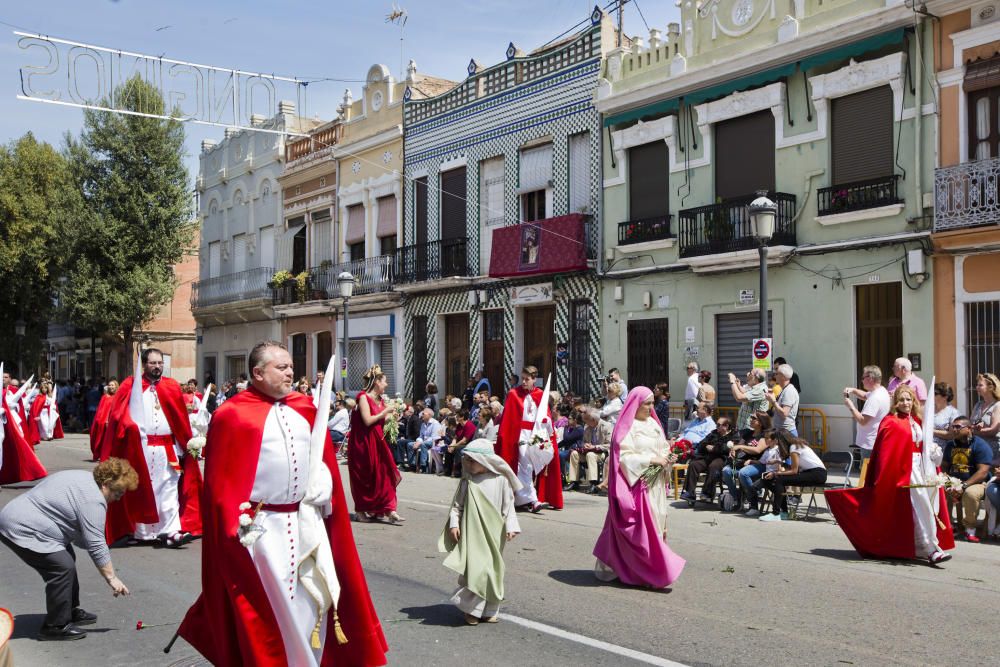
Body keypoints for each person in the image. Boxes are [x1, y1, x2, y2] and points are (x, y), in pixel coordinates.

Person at [177, 341, 388, 667]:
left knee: (311, 605)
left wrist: (324, 486)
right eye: (282, 367)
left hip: (307, 526)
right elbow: (221, 487)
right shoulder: (232, 415)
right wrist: (232, 530)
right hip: (262, 533)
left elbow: (323, 463)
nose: (290, 372)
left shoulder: (305, 407)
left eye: (291, 366)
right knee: (272, 612)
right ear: (258, 372)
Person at [0, 459, 136, 640]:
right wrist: (111, 578)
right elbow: (95, 543)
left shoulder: (85, 478)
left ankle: (68, 611)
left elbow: (83, 537)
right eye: (118, 492)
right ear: (105, 484)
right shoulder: (94, 501)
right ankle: (55, 626)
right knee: (62, 567)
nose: (119, 498)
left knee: (66, 556)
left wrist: (99, 551)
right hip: (21, 527)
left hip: (21, 517)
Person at [825, 385, 954, 563]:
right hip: (903, 472)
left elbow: (921, 445)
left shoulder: (916, 420)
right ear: (896, 402)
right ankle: (931, 548)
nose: (905, 403)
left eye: (908, 399)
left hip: (921, 470)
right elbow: (887, 453)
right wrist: (888, 477)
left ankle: (919, 547)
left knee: (924, 508)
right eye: (901, 400)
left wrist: (933, 452)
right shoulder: (890, 422)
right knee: (920, 508)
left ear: (913, 400)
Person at [100, 348, 202, 547]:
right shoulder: (131, 386)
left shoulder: (172, 386)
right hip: (142, 449)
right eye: (153, 363)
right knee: (142, 489)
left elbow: (180, 420)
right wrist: (129, 425)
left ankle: (171, 531)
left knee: (169, 488)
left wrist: (185, 444)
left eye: (160, 363)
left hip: (167, 449)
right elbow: (118, 416)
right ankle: (141, 531)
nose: (157, 367)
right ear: (144, 365)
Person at [593, 387, 685, 588]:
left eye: (652, 403)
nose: (651, 408)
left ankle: (652, 569)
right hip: (637, 485)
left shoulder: (653, 424)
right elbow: (624, 458)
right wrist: (653, 459)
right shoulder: (627, 427)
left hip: (656, 483)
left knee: (657, 525)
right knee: (643, 532)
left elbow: (662, 447)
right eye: (648, 404)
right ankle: (643, 572)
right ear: (636, 404)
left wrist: (668, 457)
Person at [438, 440, 521, 625]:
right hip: (472, 533)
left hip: (494, 533)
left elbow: (508, 507)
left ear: (484, 460)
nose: (467, 464)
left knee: (492, 570)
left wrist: (511, 526)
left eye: (471, 460)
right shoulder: (467, 481)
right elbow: (457, 506)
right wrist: (454, 524)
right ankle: (472, 610)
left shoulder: (501, 480)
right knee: (477, 570)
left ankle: (489, 609)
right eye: (466, 460)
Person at [494, 366, 562, 513]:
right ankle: (533, 500)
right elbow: (508, 418)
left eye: (527, 379)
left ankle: (520, 499)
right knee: (526, 465)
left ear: (534, 380)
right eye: (523, 378)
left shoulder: (540, 394)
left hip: (536, 434)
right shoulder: (514, 394)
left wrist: (549, 428)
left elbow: (545, 415)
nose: (524, 382)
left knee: (537, 463)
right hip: (520, 434)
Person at [347, 365, 402, 524]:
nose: (387, 385)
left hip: (378, 442)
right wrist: (385, 412)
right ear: (377, 382)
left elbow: (382, 421)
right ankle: (360, 510)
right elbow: (368, 420)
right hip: (363, 443)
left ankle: (389, 509)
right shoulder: (363, 397)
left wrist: (393, 418)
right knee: (365, 476)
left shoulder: (381, 400)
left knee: (384, 474)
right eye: (385, 381)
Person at [942, 415, 993, 543]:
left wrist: (963, 486)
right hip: (955, 482)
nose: (954, 429)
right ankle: (947, 526)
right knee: (938, 489)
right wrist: (947, 482)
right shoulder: (950, 445)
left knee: (970, 494)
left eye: (958, 427)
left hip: (978, 483)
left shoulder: (980, 445)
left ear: (969, 428)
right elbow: (944, 467)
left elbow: (983, 472)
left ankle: (970, 530)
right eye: (952, 427)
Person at [758, 430, 827, 522]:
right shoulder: (796, 445)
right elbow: (795, 468)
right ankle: (783, 512)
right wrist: (778, 462)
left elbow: (794, 471)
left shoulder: (794, 447)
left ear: (782, 440)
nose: (777, 444)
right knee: (776, 480)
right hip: (814, 473)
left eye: (777, 441)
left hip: (817, 474)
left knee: (779, 480)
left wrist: (775, 473)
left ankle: (776, 513)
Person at [843, 365, 891, 486]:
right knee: (873, 475)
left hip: (870, 443)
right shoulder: (881, 391)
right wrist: (853, 390)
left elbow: (863, 420)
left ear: (870, 378)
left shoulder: (875, 398)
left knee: (868, 476)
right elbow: (865, 395)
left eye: (863, 377)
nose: (861, 380)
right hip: (874, 441)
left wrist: (851, 407)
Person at [0, 364, 48, 486]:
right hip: (3, 422)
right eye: (2, 377)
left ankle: (27, 470)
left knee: (18, 446)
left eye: (5, 377)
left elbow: (20, 407)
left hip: (13, 422)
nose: (3, 379)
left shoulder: (14, 391)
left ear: (10, 379)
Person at [722, 414, 776, 516]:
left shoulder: (765, 436)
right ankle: (736, 498)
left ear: (760, 422)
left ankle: (754, 505)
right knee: (726, 470)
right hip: (742, 463)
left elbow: (757, 450)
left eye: (753, 418)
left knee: (744, 473)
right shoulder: (747, 434)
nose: (750, 420)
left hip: (758, 464)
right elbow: (737, 446)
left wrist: (740, 446)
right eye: (751, 417)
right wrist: (733, 451)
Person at [680, 416, 735, 504]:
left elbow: (727, 449)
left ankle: (707, 493)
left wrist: (714, 448)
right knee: (694, 464)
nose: (716, 427)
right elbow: (702, 443)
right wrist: (706, 446)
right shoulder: (714, 433)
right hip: (708, 457)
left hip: (722, 458)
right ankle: (690, 492)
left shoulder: (733, 435)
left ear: (726, 426)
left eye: (718, 425)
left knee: (713, 466)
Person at [566, 408, 611, 494]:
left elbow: (610, 445)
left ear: (593, 420)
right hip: (589, 452)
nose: (584, 422)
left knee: (590, 455)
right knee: (574, 453)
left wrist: (595, 446)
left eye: (586, 420)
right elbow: (584, 441)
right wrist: (585, 445)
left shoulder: (606, 426)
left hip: (603, 453)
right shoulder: (588, 427)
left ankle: (593, 482)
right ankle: (574, 481)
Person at [730, 369, 769, 441]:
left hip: (751, 428)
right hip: (746, 426)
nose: (748, 374)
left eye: (750, 373)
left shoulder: (760, 389)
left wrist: (732, 382)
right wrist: (738, 386)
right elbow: (745, 393)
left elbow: (739, 398)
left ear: (756, 377)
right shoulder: (755, 387)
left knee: (745, 449)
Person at [970, 372, 1000, 456]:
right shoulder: (978, 405)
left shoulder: (997, 406)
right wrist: (974, 427)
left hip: (992, 452)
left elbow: (993, 431)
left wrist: (973, 430)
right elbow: (970, 424)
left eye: (980, 385)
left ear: (990, 387)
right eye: (977, 385)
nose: (977, 387)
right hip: (976, 449)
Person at [765, 364, 799, 436]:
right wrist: (771, 400)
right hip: (781, 431)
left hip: (787, 433)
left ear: (783, 376)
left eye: (777, 374)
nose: (774, 376)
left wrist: (773, 401)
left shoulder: (789, 391)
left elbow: (784, 414)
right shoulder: (784, 389)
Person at [89, 380, 118, 460]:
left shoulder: (117, 397)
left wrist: (110, 420)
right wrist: (100, 421)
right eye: (109, 385)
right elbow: (100, 410)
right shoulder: (105, 397)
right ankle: (101, 454)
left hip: (112, 422)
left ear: (116, 386)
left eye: (113, 385)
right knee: (101, 439)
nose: (111, 387)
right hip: (102, 422)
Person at [446, 409, 477, 477]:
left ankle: (458, 471)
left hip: (468, 444)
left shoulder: (469, 425)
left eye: (457, 416)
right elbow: (456, 437)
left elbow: (464, 440)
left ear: (462, 417)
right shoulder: (459, 425)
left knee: (457, 449)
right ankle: (448, 470)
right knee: (448, 449)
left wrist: (454, 446)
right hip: (460, 444)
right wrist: (452, 445)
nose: (456, 417)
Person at [411, 408, 442, 473]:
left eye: (423, 413)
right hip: (424, 441)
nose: (422, 415)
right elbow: (421, 436)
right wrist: (418, 441)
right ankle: (413, 465)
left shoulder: (435, 424)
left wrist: (421, 442)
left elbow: (434, 437)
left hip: (433, 442)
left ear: (429, 415)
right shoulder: (423, 424)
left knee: (423, 444)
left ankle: (423, 466)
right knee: (410, 444)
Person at [931, 382, 960, 449]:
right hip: (927, 450)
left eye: (935, 393)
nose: (932, 395)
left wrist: (931, 431)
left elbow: (952, 434)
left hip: (942, 451)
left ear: (945, 397)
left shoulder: (953, 412)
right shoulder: (929, 409)